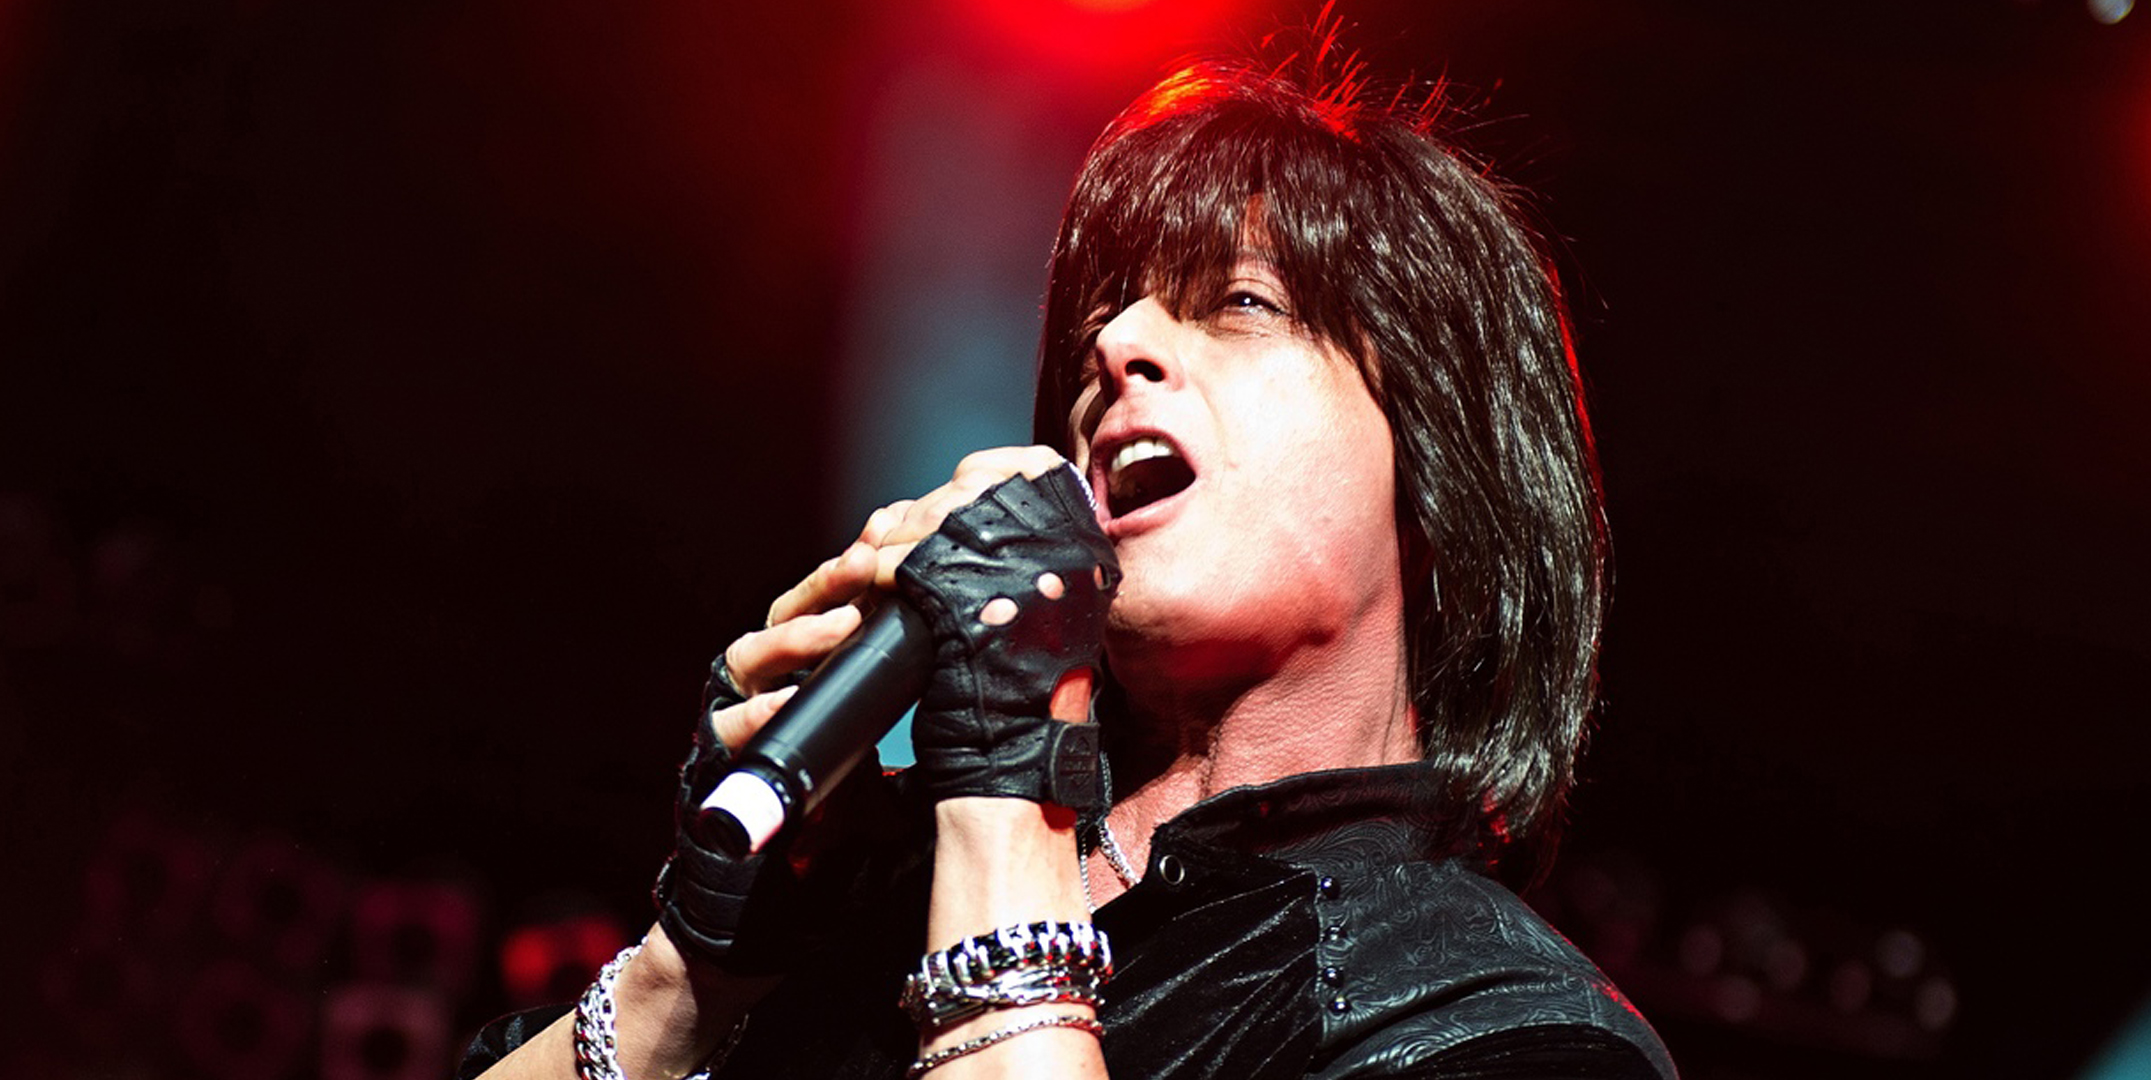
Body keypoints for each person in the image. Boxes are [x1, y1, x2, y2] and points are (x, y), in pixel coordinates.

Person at [462, 40, 1676, 1080]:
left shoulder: (1508, 1027)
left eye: (1241, 302)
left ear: (1443, 459)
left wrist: (1007, 794)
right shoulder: (884, 904)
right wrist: (690, 975)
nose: (1116, 342)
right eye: (1106, 311)